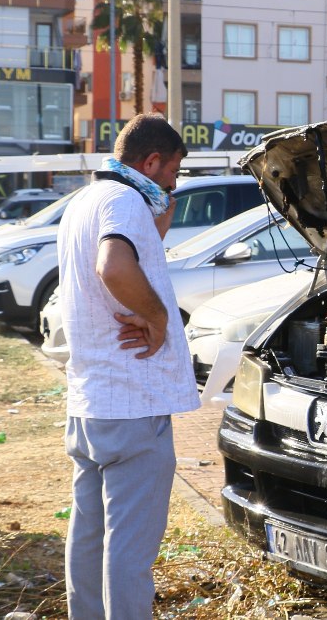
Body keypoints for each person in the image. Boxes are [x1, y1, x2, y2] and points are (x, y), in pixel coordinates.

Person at [57, 113, 198, 619]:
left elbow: (121, 262)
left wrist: (154, 230)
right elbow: (114, 266)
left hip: (92, 403)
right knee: (130, 552)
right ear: (152, 160)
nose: (172, 185)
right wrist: (157, 318)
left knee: (89, 538)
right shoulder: (124, 200)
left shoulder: (87, 200)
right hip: (133, 404)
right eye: (172, 173)